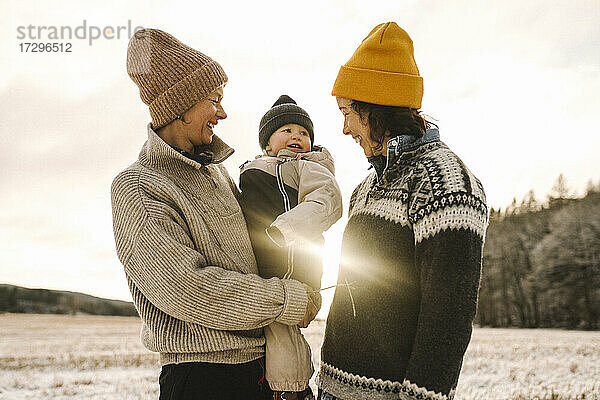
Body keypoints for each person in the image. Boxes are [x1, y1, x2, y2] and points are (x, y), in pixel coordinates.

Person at [111, 29, 317, 400]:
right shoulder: (139, 187)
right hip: (206, 378)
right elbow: (187, 289)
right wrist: (288, 299)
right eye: (214, 100)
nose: (223, 113)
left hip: (264, 367)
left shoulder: (218, 172)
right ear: (181, 105)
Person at [316, 22, 489, 400]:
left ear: (374, 109)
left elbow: (448, 316)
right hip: (332, 389)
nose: (344, 129)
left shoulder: (446, 181)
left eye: (346, 112)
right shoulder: (366, 188)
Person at [239, 95, 343, 400]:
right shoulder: (253, 169)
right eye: (287, 130)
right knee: (264, 333)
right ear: (267, 143)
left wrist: (286, 229)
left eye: (304, 133)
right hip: (262, 269)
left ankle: (291, 391)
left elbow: (327, 201)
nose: (297, 137)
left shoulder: (307, 166)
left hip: (294, 270)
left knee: (283, 334)